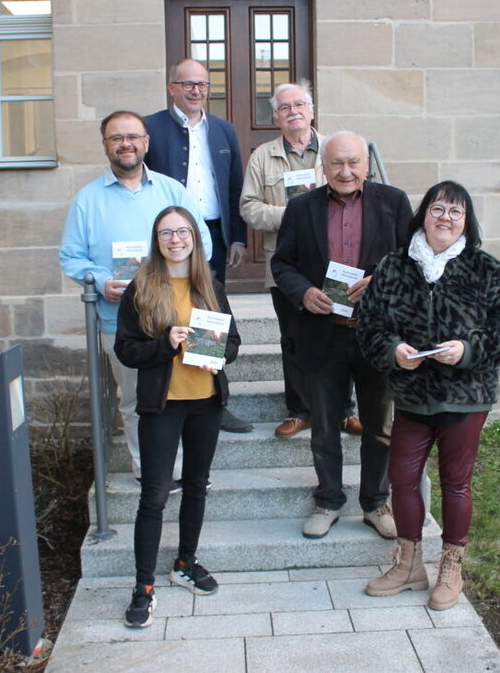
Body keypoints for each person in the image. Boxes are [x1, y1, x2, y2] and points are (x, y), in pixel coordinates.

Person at [356, 181, 500, 611]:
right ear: (423, 215)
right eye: (437, 209)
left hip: (466, 396)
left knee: (456, 483)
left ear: (467, 221)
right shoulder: (393, 266)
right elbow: (370, 326)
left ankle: (452, 566)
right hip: (412, 394)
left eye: (455, 211)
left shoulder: (486, 269)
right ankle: (410, 565)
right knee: (402, 477)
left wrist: (466, 351)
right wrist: (394, 351)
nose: (445, 218)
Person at [271, 131, 413, 540]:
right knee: (324, 426)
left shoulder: (394, 202)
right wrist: (303, 292)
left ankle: (375, 502)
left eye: (353, 162)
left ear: (366, 165)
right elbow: (282, 264)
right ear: (324, 166)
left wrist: (381, 280)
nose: (345, 171)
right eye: (336, 163)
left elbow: (411, 260)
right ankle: (328, 500)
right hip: (323, 333)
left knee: (379, 427)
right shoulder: (301, 207)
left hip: (377, 335)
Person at [59, 111, 212, 490]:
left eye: (132, 136)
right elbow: (71, 257)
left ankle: (185, 469)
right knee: (133, 400)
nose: (125, 144)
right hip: (122, 322)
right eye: (116, 138)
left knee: (187, 397)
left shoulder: (172, 192)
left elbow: (203, 245)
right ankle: (150, 471)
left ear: (146, 142)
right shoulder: (88, 200)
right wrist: (101, 281)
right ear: (105, 145)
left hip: (181, 317)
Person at [114, 205, 241, 628]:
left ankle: (185, 562)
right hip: (162, 406)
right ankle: (143, 587)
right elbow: (126, 350)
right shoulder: (142, 288)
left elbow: (234, 342)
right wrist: (166, 344)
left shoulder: (210, 286)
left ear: (194, 237)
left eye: (182, 231)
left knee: (197, 486)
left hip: (205, 402)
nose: (175, 239)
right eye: (166, 233)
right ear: (157, 240)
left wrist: (218, 355)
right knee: (153, 496)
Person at [239, 81, 362, 440]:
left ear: (311, 110)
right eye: (284, 107)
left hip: (336, 261)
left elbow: (356, 192)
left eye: (299, 104)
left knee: (342, 335)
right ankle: (299, 411)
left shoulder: (334, 148)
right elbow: (249, 208)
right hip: (286, 265)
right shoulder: (262, 157)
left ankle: (344, 411)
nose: (293, 111)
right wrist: (295, 214)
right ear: (275, 117)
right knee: (293, 338)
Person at [144, 58, 252, 434]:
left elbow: (235, 185)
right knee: (173, 309)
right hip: (169, 238)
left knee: (209, 312)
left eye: (202, 84)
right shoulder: (150, 128)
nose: (196, 91)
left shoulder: (223, 130)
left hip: (214, 233)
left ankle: (213, 401)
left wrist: (237, 236)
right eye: (187, 84)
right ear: (171, 87)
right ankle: (172, 397)